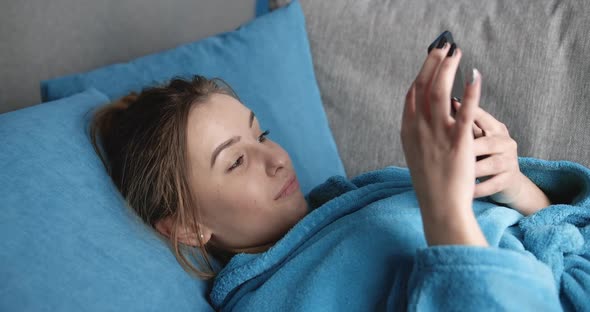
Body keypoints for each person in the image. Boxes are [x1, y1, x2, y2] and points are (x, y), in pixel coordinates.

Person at [90, 43, 585, 310]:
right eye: (235, 161)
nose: (277, 159)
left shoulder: (352, 197)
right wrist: (444, 212)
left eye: (261, 135)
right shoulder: (273, 300)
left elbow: (562, 237)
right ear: (186, 228)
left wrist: (516, 187)